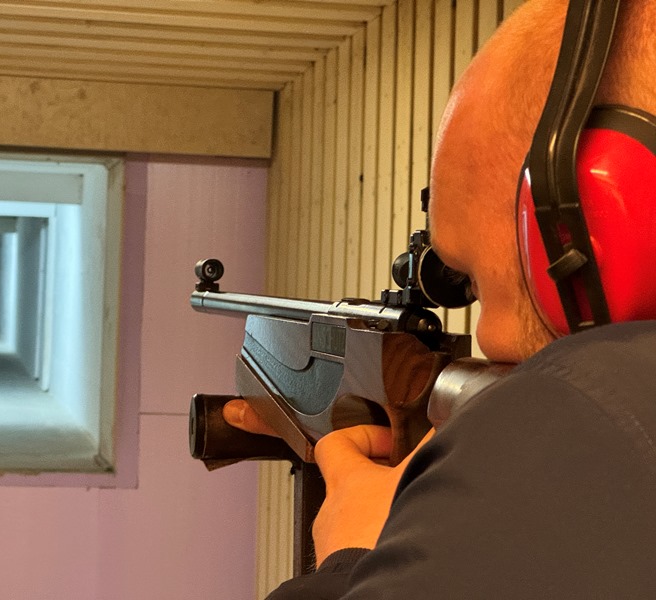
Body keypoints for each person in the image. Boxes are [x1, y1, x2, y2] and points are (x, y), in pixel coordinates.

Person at [223, 0, 656, 596]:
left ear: (600, 235)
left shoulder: (593, 425)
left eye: (474, 282)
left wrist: (355, 557)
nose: (482, 336)